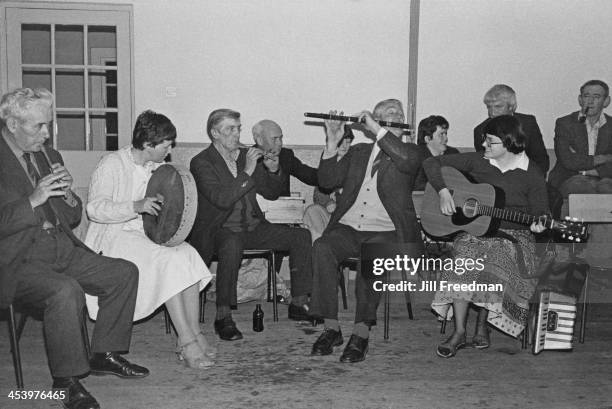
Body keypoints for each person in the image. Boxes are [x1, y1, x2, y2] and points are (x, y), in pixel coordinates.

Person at [0, 88, 148, 409]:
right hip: (16, 259)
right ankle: (66, 381)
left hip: (59, 247)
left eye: (48, 125)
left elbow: (72, 214)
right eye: (37, 126)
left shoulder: (48, 155)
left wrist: (66, 194)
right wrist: (32, 200)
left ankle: (104, 353)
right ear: (12, 124)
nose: (46, 134)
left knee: (123, 273)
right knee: (64, 291)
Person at [84, 110, 215, 369]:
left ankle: (194, 332)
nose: (170, 149)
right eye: (166, 144)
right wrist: (136, 205)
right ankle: (186, 340)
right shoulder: (111, 163)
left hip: (144, 233)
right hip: (114, 236)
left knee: (186, 253)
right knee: (167, 260)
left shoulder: (155, 168)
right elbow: (94, 209)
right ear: (147, 145)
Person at [423, 114, 548, 358]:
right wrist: (443, 192)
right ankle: (459, 332)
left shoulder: (532, 173)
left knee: (493, 261)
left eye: (490, 142)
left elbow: (542, 212)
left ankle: (482, 325)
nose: (484, 146)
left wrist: (539, 224)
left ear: (509, 143)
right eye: (485, 141)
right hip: (478, 231)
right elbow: (431, 164)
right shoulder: (480, 161)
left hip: (514, 235)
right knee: (462, 261)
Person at [309, 99, 424, 363]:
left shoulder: (411, 151)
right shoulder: (359, 151)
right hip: (348, 227)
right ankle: (331, 328)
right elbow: (327, 181)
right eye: (388, 113)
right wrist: (332, 141)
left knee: (373, 255)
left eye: (399, 113)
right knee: (322, 247)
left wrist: (377, 129)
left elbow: (405, 161)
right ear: (377, 118)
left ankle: (360, 333)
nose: (396, 116)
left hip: (386, 231)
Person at [189, 109, 314, 341]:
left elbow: (271, 192)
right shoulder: (201, 162)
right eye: (230, 129)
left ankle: (298, 303)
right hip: (218, 230)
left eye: (238, 128)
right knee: (231, 242)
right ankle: (223, 316)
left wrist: (274, 170)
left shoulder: (245, 155)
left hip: (252, 226)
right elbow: (221, 199)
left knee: (301, 236)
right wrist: (247, 169)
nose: (236, 134)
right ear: (215, 133)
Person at [548, 79, 612, 197]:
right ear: (580, 100)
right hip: (570, 176)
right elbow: (567, 160)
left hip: (605, 177)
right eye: (586, 96)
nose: (590, 101)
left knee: (606, 188)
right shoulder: (565, 123)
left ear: (606, 101)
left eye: (596, 97)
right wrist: (604, 158)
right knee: (582, 187)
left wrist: (595, 172)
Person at [473, 84, 550, 175]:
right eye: (489, 107)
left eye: (498, 107)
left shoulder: (528, 124)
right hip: (499, 179)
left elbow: (541, 160)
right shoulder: (480, 130)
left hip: (530, 177)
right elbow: (484, 166)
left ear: (511, 107)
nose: (492, 113)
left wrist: (531, 179)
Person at [302, 126, 354, 242]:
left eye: (348, 142)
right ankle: (318, 248)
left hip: (349, 215)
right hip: (331, 213)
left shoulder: (356, 162)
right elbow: (319, 191)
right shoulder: (327, 159)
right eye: (341, 142)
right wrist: (328, 202)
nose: (345, 146)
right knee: (312, 210)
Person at [252, 119, 318, 196]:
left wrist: (331, 172)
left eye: (280, 138)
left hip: (284, 206)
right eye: (275, 139)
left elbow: (310, 176)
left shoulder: (285, 155)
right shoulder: (247, 159)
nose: (280, 143)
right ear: (260, 140)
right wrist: (274, 171)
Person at [413, 115, 460, 191]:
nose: (446, 139)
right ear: (428, 139)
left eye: (446, 134)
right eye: (441, 134)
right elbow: (418, 187)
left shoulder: (453, 154)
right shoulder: (416, 156)